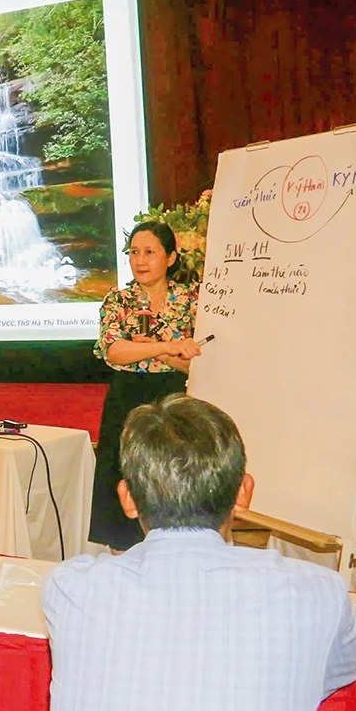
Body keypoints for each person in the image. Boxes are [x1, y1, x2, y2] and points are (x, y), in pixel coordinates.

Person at [42, 394, 356, 711]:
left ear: (128, 499)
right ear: (244, 492)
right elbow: (334, 674)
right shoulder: (318, 591)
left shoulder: (70, 585)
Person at [88, 221, 202, 550]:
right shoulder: (119, 299)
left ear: (170, 258)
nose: (140, 260)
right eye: (134, 252)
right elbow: (115, 351)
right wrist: (166, 346)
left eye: (150, 252)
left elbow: (193, 363)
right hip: (126, 401)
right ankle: (123, 558)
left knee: (175, 481)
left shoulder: (192, 301)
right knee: (124, 481)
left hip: (174, 401)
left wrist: (162, 353)